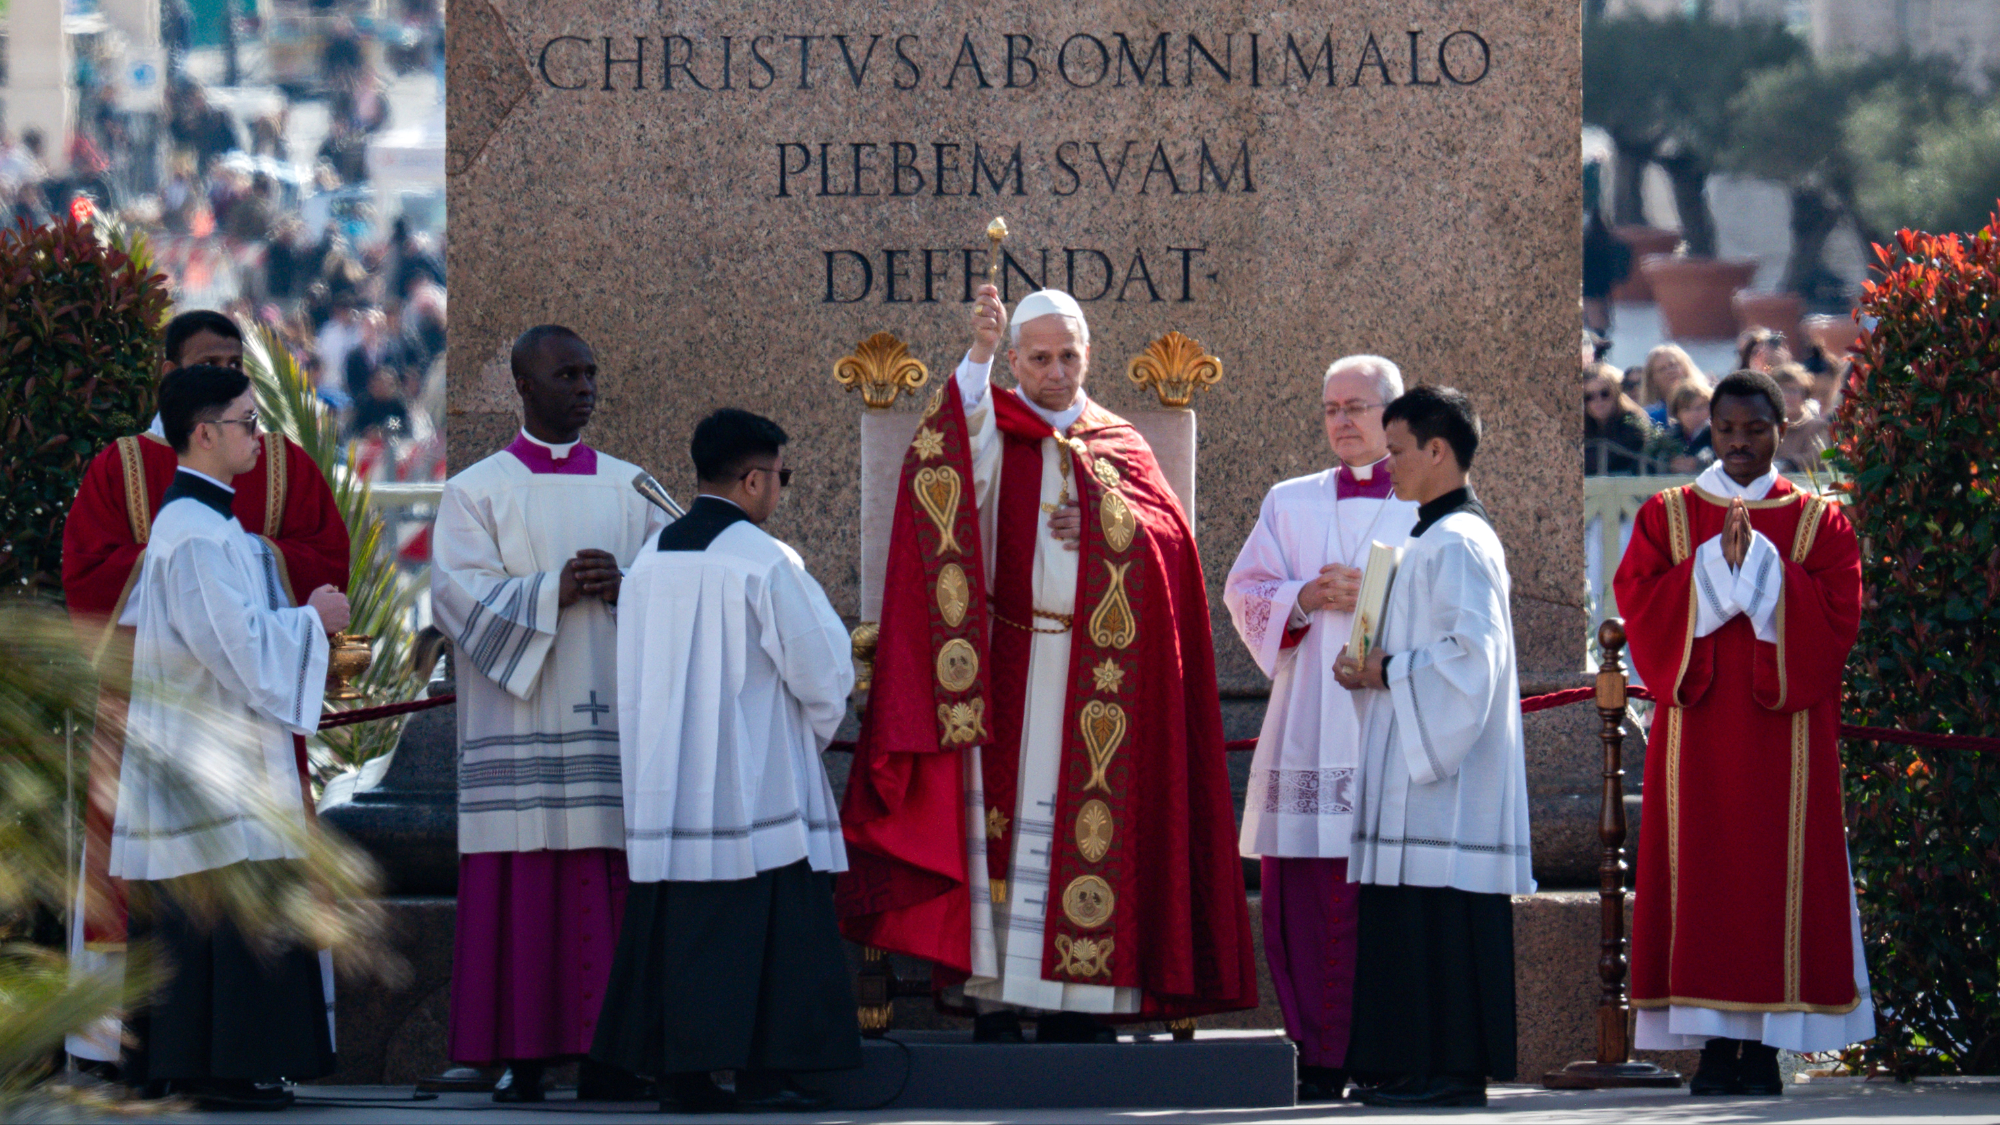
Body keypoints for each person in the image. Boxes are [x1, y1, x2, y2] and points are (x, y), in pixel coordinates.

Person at [839, 286, 1257, 1040]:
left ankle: (1086, 1010)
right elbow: (946, 463)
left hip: (1105, 682)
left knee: (1089, 835)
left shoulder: (1122, 442)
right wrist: (978, 357)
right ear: (1017, 360)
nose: (1057, 371)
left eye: (1069, 355)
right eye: (1038, 357)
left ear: (1088, 355)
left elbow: (1173, 550)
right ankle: (999, 1003)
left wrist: (1109, 521)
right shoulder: (996, 425)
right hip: (1012, 661)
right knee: (1008, 836)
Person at [62, 309, 350, 1071]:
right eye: (244, 421)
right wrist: (311, 622)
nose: (259, 433)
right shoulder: (186, 526)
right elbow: (240, 650)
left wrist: (268, 572)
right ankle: (211, 1066)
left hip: (219, 735)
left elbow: (284, 581)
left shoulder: (203, 518)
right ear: (201, 426)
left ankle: (220, 1064)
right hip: (206, 738)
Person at [593, 409, 861, 1113]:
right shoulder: (766, 561)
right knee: (769, 924)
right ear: (752, 478)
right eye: (782, 476)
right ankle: (767, 1067)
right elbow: (822, 670)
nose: (780, 489)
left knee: (681, 926)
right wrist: (825, 722)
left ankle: (682, 1073)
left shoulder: (650, 559)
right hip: (753, 777)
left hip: (665, 781)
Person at [1614, 370, 1869, 1096]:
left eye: (1756, 429)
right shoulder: (1668, 515)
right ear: (1711, 430)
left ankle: (1763, 1050)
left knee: (1771, 883)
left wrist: (1758, 569)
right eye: (1726, 429)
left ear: (1780, 430)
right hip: (1694, 734)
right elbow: (1638, 602)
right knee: (1700, 881)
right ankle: (1711, 1048)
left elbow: (1837, 617)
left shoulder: (1821, 520)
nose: (1739, 443)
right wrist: (1704, 569)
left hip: (1785, 736)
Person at [429, 325, 665, 1102]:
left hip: (611, 727)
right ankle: (521, 1055)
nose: (585, 386)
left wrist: (629, 582)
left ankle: (615, 1055)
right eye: (567, 374)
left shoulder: (635, 489)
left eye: (591, 373)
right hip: (518, 724)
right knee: (524, 886)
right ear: (524, 387)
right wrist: (548, 591)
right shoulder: (476, 490)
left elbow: (686, 586)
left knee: (611, 877)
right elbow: (457, 596)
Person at [1223, 355, 1420, 1102]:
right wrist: (1303, 597)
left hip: (1389, 722)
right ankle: (1317, 1051)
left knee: (1386, 895)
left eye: (1358, 406)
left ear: (1394, 417)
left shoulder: (1424, 501)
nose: (1341, 419)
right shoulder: (1291, 500)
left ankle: (1386, 1048)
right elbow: (1245, 592)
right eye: (1331, 406)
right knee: (1302, 893)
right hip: (1309, 719)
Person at [1333, 385, 1532, 1109]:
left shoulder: (1461, 542)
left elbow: (1469, 660)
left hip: (1445, 779)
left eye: (1396, 451)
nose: (1388, 468)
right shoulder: (1426, 537)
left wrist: (1386, 667)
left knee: (1440, 919)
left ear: (1438, 450)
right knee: (1408, 918)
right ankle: (1407, 1064)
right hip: (1414, 764)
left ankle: (1449, 1070)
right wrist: (1367, 662)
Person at [1584, 362, 1655, 475]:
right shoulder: (1581, 427)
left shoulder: (1634, 424)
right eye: (1589, 397)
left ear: (1616, 393)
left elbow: (1604, 461)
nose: (1598, 401)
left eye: (1605, 393)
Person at [1771, 363, 1831, 475]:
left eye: (1793, 391)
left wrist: (1788, 464)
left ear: (1805, 395)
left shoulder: (1817, 427)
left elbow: (1818, 457)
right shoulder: (1768, 426)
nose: (1787, 396)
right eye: (1782, 390)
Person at [1645, 378, 1715, 474]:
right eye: (1686, 409)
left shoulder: (1719, 436)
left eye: (1700, 407)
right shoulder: (1669, 438)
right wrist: (1669, 465)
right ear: (1677, 413)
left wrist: (1699, 464)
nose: (1694, 414)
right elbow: (1648, 464)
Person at [1640, 344, 1703, 428]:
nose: (1669, 371)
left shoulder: (1707, 402)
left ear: (1685, 367)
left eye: (1673, 365)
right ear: (1652, 380)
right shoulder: (1649, 417)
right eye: (1662, 369)